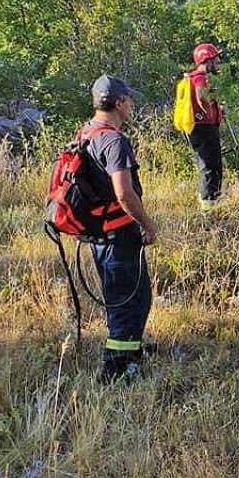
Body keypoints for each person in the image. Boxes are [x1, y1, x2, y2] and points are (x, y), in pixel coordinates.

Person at [85, 75, 156, 382]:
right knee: (130, 300)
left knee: (125, 297)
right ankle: (118, 370)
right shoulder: (115, 141)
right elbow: (124, 193)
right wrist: (147, 224)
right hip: (119, 234)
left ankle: (130, 351)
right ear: (117, 103)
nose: (131, 105)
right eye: (128, 99)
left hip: (102, 234)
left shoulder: (87, 133)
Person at [188, 43, 224, 211]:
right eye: (216, 61)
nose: (218, 64)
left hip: (204, 127)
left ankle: (212, 203)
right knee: (209, 167)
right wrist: (213, 101)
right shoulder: (200, 77)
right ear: (206, 60)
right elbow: (202, 96)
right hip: (203, 128)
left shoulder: (199, 77)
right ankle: (208, 209)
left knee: (212, 165)